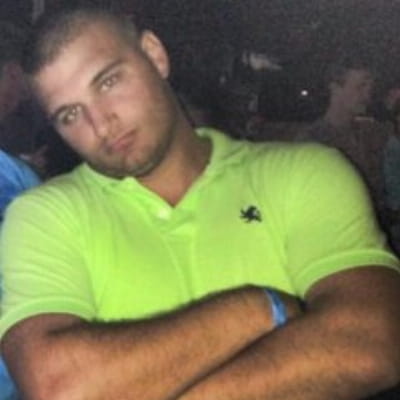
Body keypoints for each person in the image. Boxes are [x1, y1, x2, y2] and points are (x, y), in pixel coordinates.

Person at [1, 5, 400, 400]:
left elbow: (375, 340)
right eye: (70, 115)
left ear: (155, 55)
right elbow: (60, 388)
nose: (102, 124)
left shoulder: (302, 175)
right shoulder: (44, 215)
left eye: (107, 82)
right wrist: (258, 309)